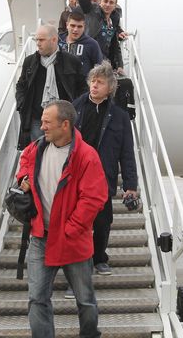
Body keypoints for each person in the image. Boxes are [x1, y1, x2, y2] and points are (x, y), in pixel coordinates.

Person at [16, 100, 107, 338]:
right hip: (40, 237)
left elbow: (94, 198)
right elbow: (24, 162)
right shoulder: (37, 147)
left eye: (47, 122)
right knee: (37, 299)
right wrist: (23, 179)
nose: (42, 126)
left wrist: (71, 228)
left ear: (64, 124)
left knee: (85, 301)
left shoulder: (87, 156)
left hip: (72, 239)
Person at [72, 61, 138, 275]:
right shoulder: (75, 109)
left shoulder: (120, 117)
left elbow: (127, 153)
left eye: (100, 83)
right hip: (77, 175)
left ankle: (99, 258)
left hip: (102, 178)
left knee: (102, 223)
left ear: (110, 88)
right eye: (92, 81)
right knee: (79, 222)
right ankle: (81, 265)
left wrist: (130, 185)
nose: (94, 86)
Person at [15, 24, 87, 150]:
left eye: (41, 40)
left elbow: (82, 88)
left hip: (63, 121)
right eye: (36, 40)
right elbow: (21, 86)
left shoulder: (71, 61)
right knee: (38, 157)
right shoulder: (30, 62)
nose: (38, 43)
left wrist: (76, 108)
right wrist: (22, 104)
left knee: (63, 155)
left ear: (54, 39)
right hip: (37, 120)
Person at [76, 0, 124, 74]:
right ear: (100, 2)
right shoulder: (92, 10)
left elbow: (114, 45)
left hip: (105, 62)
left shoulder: (114, 19)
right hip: (89, 58)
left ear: (115, 5)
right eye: (105, 1)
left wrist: (119, 65)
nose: (108, 4)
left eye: (111, 2)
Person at [59, 11, 103, 78]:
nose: (76, 29)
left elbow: (99, 69)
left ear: (84, 27)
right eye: (72, 26)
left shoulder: (92, 44)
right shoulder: (57, 40)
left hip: (83, 86)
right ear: (67, 25)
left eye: (79, 26)